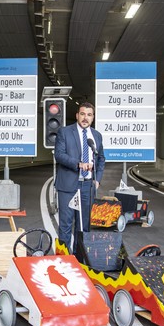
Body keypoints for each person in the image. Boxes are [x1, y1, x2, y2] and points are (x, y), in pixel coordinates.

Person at [54, 101, 105, 253]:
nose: (85, 118)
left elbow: (101, 158)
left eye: (89, 115)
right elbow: (59, 155)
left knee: (83, 226)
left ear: (93, 117)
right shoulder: (65, 132)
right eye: (82, 114)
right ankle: (63, 260)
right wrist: (78, 164)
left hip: (88, 187)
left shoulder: (96, 136)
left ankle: (78, 259)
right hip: (68, 185)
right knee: (66, 225)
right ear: (77, 115)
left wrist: (97, 180)